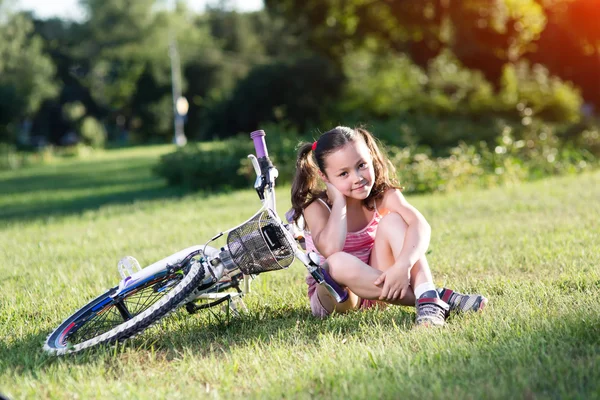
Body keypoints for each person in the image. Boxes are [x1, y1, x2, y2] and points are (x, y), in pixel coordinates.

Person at [289, 126, 487, 326]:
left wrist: (403, 265)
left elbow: (421, 225)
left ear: (371, 158)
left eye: (362, 165)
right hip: (338, 297)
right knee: (338, 261)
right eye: (343, 174)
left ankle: (427, 297)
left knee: (394, 221)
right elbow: (331, 250)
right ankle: (434, 299)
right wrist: (339, 201)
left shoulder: (381, 196)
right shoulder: (317, 207)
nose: (357, 178)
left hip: (379, 291)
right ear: (325, 177)